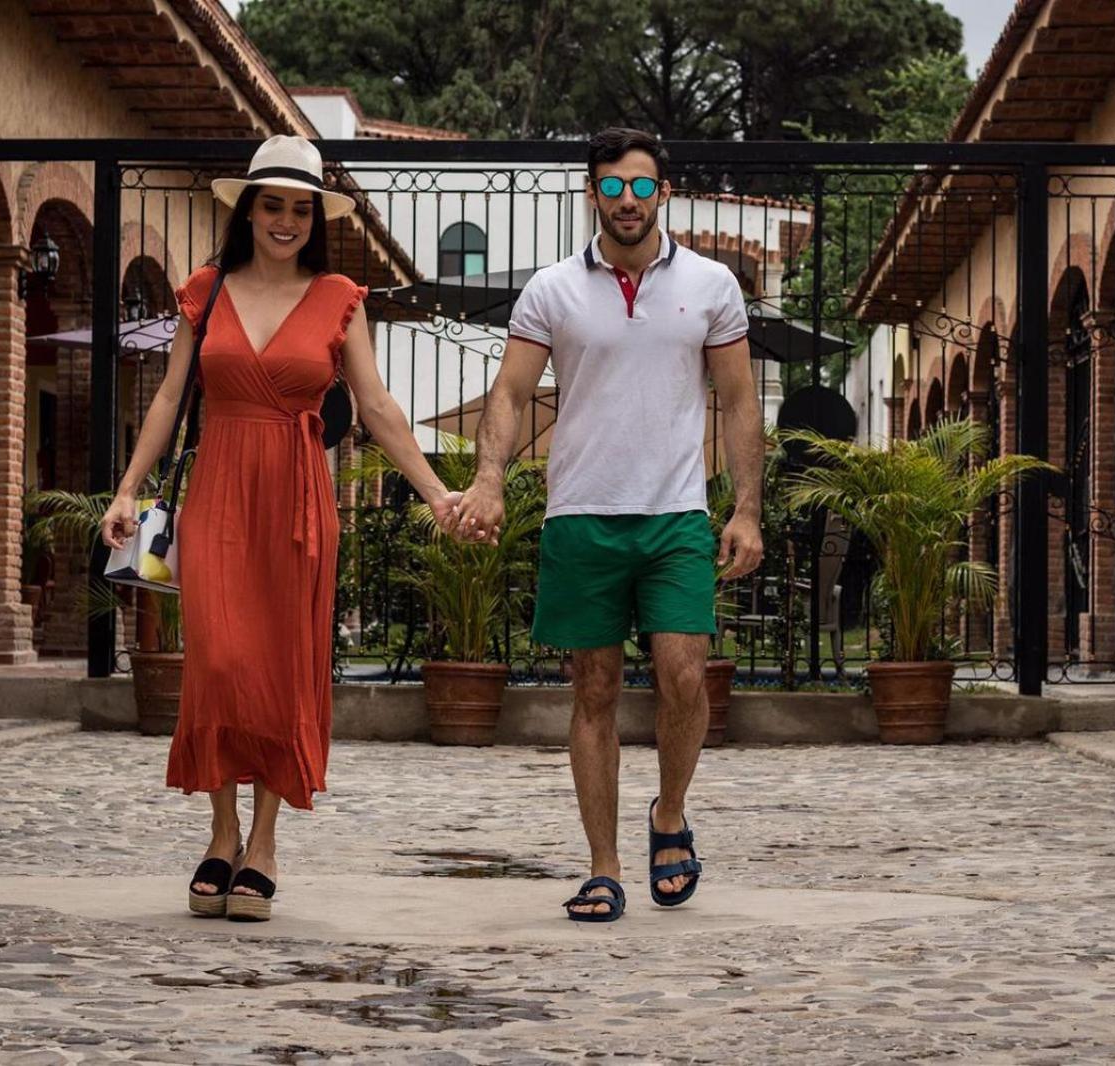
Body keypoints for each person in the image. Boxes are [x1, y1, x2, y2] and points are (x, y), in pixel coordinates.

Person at [101, 136, 462, 922]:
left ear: (315, 219)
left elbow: (376, 407)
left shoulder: (339, 297)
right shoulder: (205, 290)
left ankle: (262, 844)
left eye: (301, 208)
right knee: (221, 663)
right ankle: (220, 831)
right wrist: (127, 489)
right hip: (220, 493)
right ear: (249, 210)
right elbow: (168, 397)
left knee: (282, 671)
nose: (287, 220)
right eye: (274, 205)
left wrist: (436, 493)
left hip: (298, 502)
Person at [454, 127, 764, 922]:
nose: (629, 200)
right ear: (593, 192)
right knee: (593, 689)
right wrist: (488, 478)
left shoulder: (711, 285)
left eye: (642, 185)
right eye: (613, 186)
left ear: (664, 192)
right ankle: (603, 866)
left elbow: (739, 402)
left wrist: (747, 509)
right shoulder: (551, 290)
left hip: (676, 514)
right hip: (581, 514)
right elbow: (510, 394)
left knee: (684, 675)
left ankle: (670, 813)